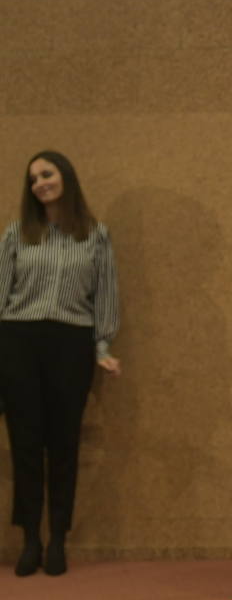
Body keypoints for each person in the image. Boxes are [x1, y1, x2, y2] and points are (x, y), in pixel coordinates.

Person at [0, 151, 121, 577]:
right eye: (33, 179)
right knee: (27, 444)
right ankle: (30, 538)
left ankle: (58, 540)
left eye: (47, 174)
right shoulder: (18, 234)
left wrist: (103, 348)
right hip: (19, 339)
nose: (40, 184)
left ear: (65, 177)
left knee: (64, 444)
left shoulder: (96, 235)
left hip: (71, 342)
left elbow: (104, 294)